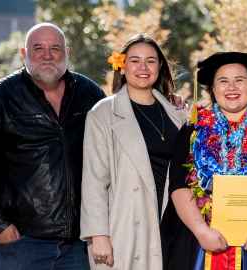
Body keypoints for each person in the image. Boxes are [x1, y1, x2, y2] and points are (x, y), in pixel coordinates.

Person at [0, 22, 105, 270]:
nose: (47, 55)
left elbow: (117, 138)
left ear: (67, 52)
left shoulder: (89, 94)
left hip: (79, 245)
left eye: (55, 48)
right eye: (38, 48)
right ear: (24, 53)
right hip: (22, 245)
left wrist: (162, 98)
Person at [162, 52, 247, 270]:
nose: (232, 87)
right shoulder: (192, 131)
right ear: (212, 88)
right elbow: (179, 187)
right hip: (203, 244)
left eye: (240, 80)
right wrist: (201, 231)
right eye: (223, 81)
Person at [80, 34, 186, 270]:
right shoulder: (103, 113)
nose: (143, 67)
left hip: (171, 224)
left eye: (150, 61)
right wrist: (98, 235)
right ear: (122, 66)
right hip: (125, 225)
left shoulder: (176, 114)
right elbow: (94, 180)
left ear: (160, 66)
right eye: (135, 60)